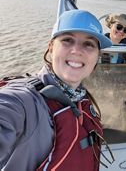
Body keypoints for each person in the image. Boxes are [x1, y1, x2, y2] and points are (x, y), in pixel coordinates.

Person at [0, 10, 113, 171]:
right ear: (51, 48)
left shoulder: (80, 98)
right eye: (67, 40)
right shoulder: (24, 101)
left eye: (89, 44)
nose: (77, 50)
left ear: (97, 57)